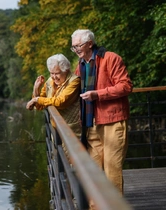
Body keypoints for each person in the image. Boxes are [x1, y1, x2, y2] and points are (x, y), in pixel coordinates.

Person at [70, 29, 133, 197]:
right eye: (73, 47)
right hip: (91, 123)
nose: (76, 50)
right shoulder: (81, 65)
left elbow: (126, 86)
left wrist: (98, 94)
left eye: (78, 46)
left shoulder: (110, 58)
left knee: (112, 169)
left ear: (90, 43)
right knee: (94, 169)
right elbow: (71, 90)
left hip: (113, 120)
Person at [26, 53, 81, 137]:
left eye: (57, 73)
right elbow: (40, 106)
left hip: (71, 133)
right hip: (55, 131)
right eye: (51, 73)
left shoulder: (74, 81)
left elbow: (60, 102)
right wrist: (36, 89)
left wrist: (36, 99)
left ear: (66, 70)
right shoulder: (49, 81)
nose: (54, 77)